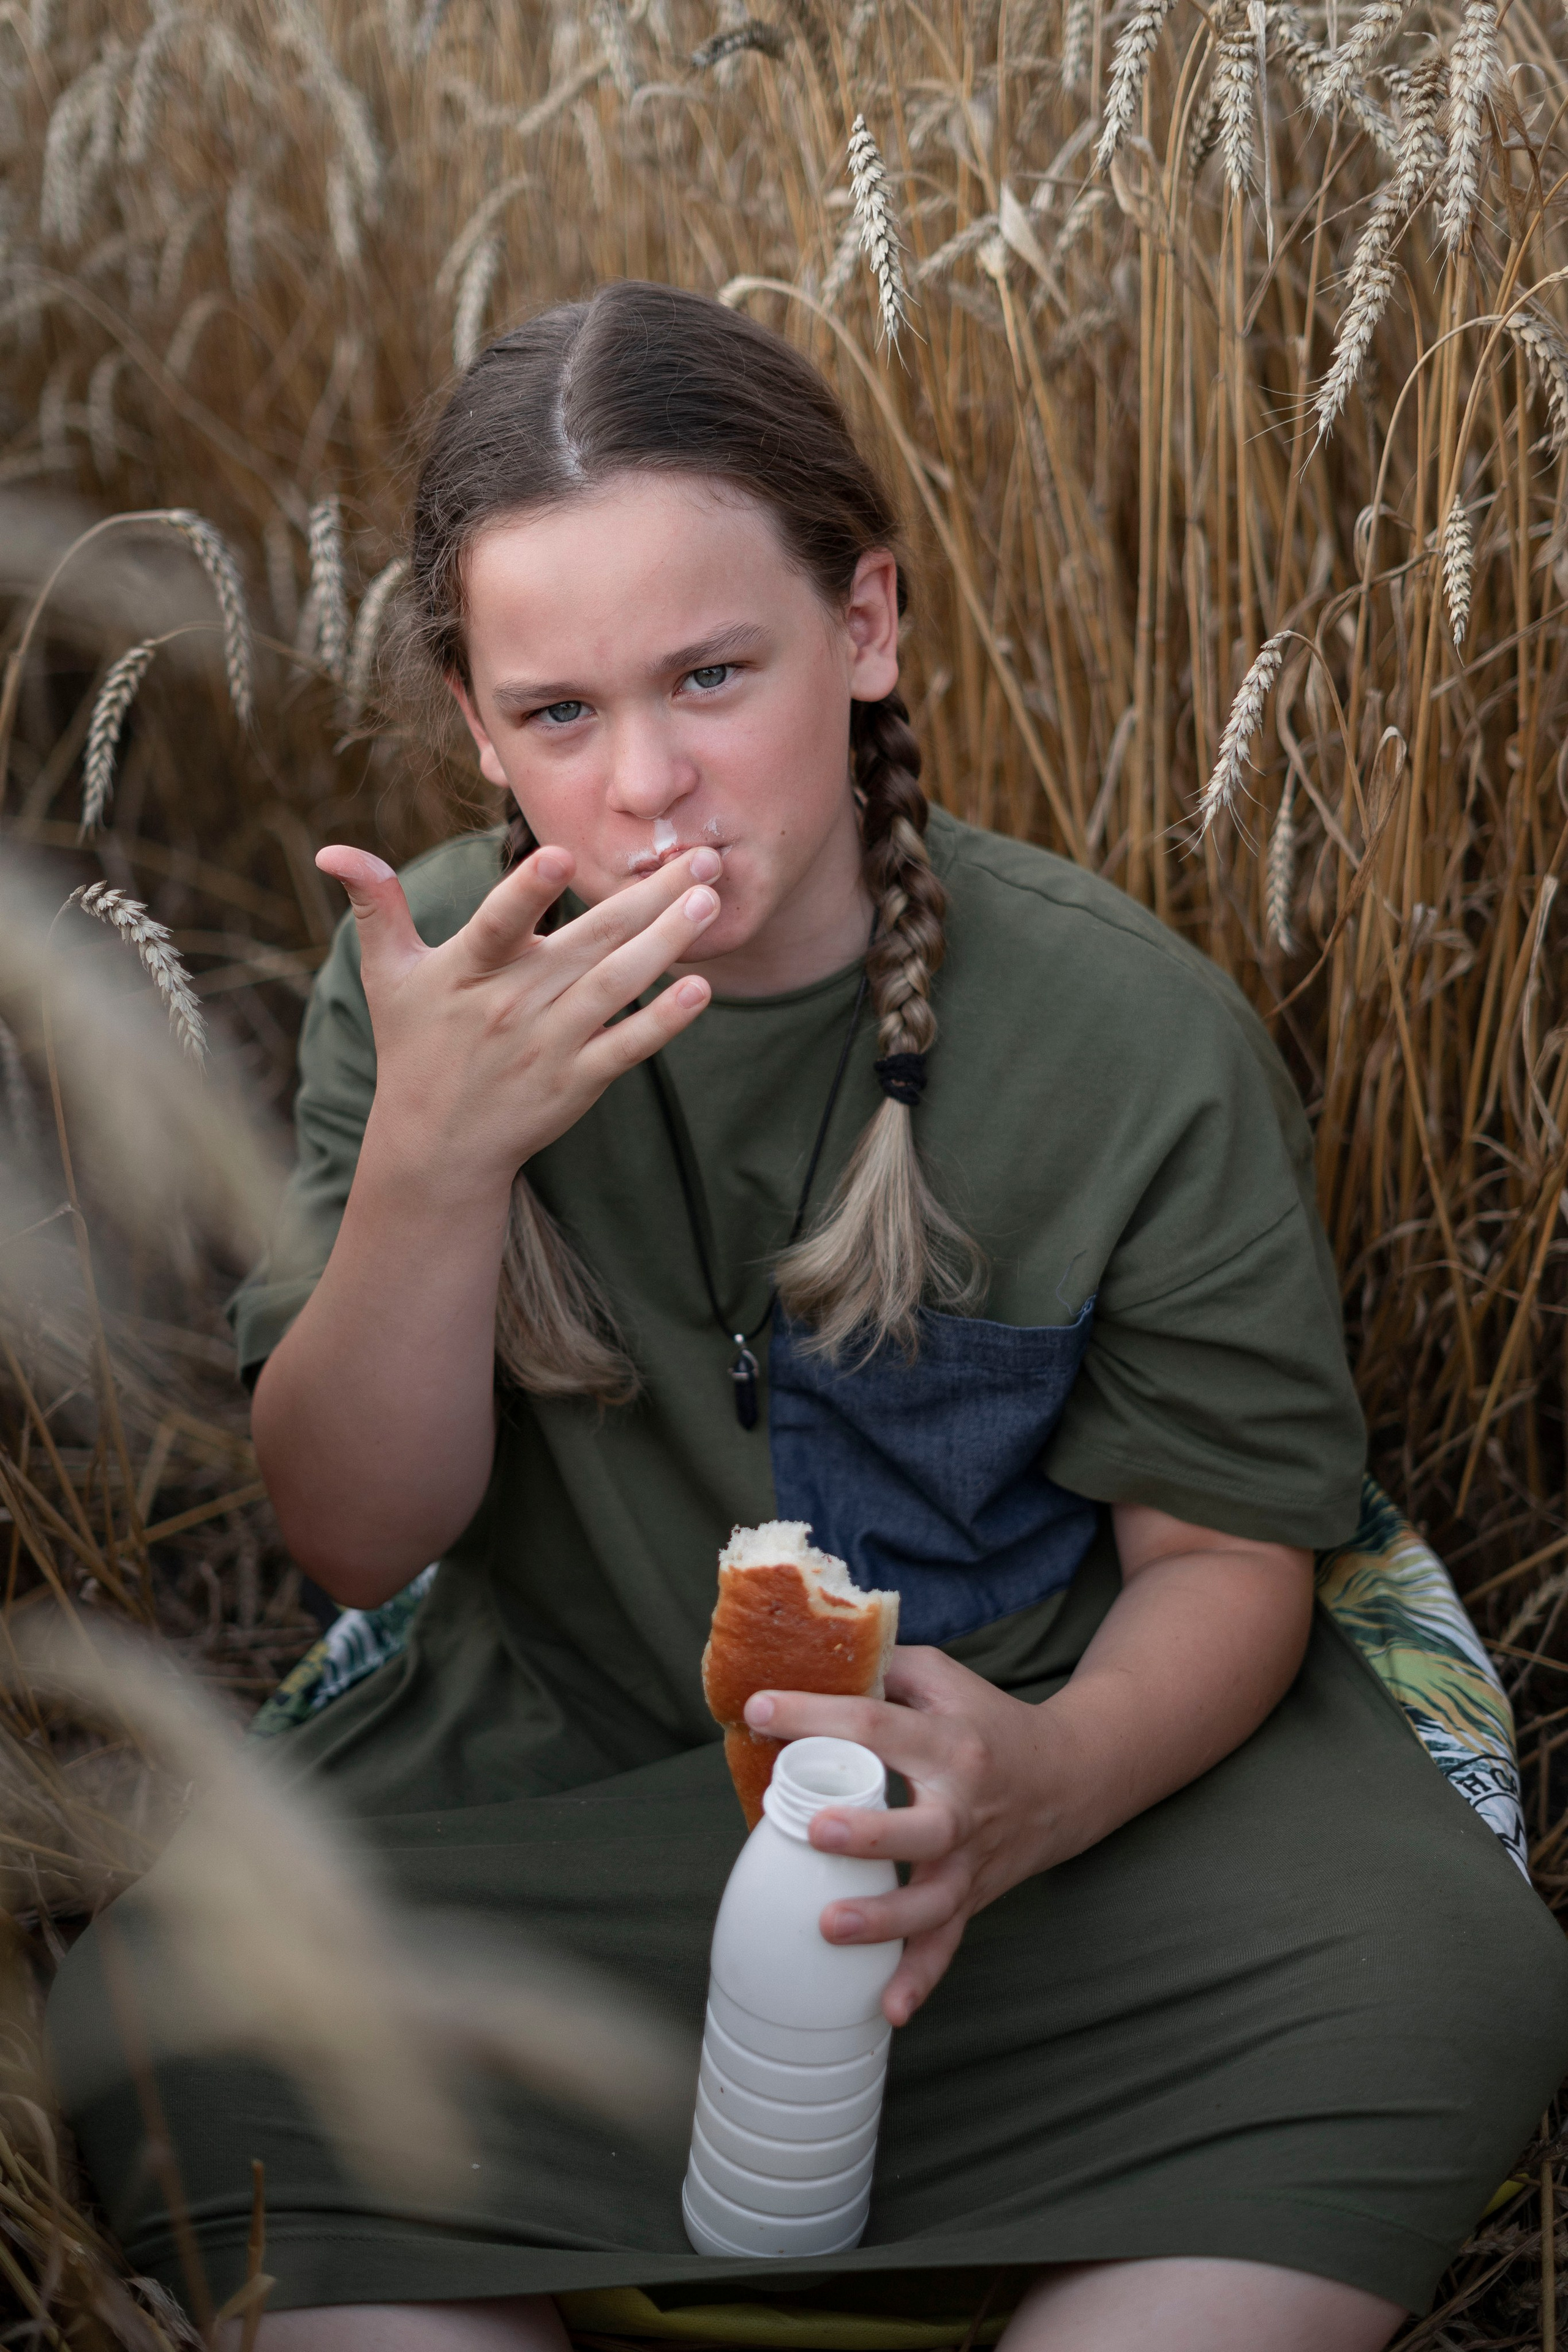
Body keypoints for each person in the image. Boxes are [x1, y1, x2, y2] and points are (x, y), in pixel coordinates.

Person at [49, 282, 1568, 2352]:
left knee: (1438, 1981)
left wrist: (1038, 1785)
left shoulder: (1128, 1036)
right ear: (476, 725)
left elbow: (1224, 1554)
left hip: (1054, 1829)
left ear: (864, 631)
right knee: (171, 2032)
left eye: (712, 674)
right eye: (562, 714)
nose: (651, 781)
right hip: (577, 1816)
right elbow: (357, 1535)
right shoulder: (416, 1002)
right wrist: (433, 1167)